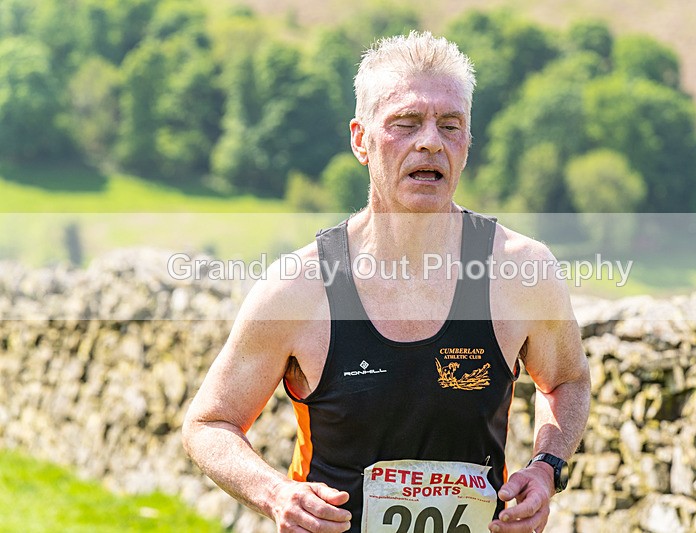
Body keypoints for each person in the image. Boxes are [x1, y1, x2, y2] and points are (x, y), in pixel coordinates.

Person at [183, 31, 590, 533]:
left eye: (450, 125)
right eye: (406, 122)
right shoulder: (299, 287)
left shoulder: (523, 271)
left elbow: (567, 381)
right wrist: (274, 493)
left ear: (467, 142)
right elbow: (209, 423)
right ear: (361, 140)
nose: (430, 142)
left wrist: (546, 468)